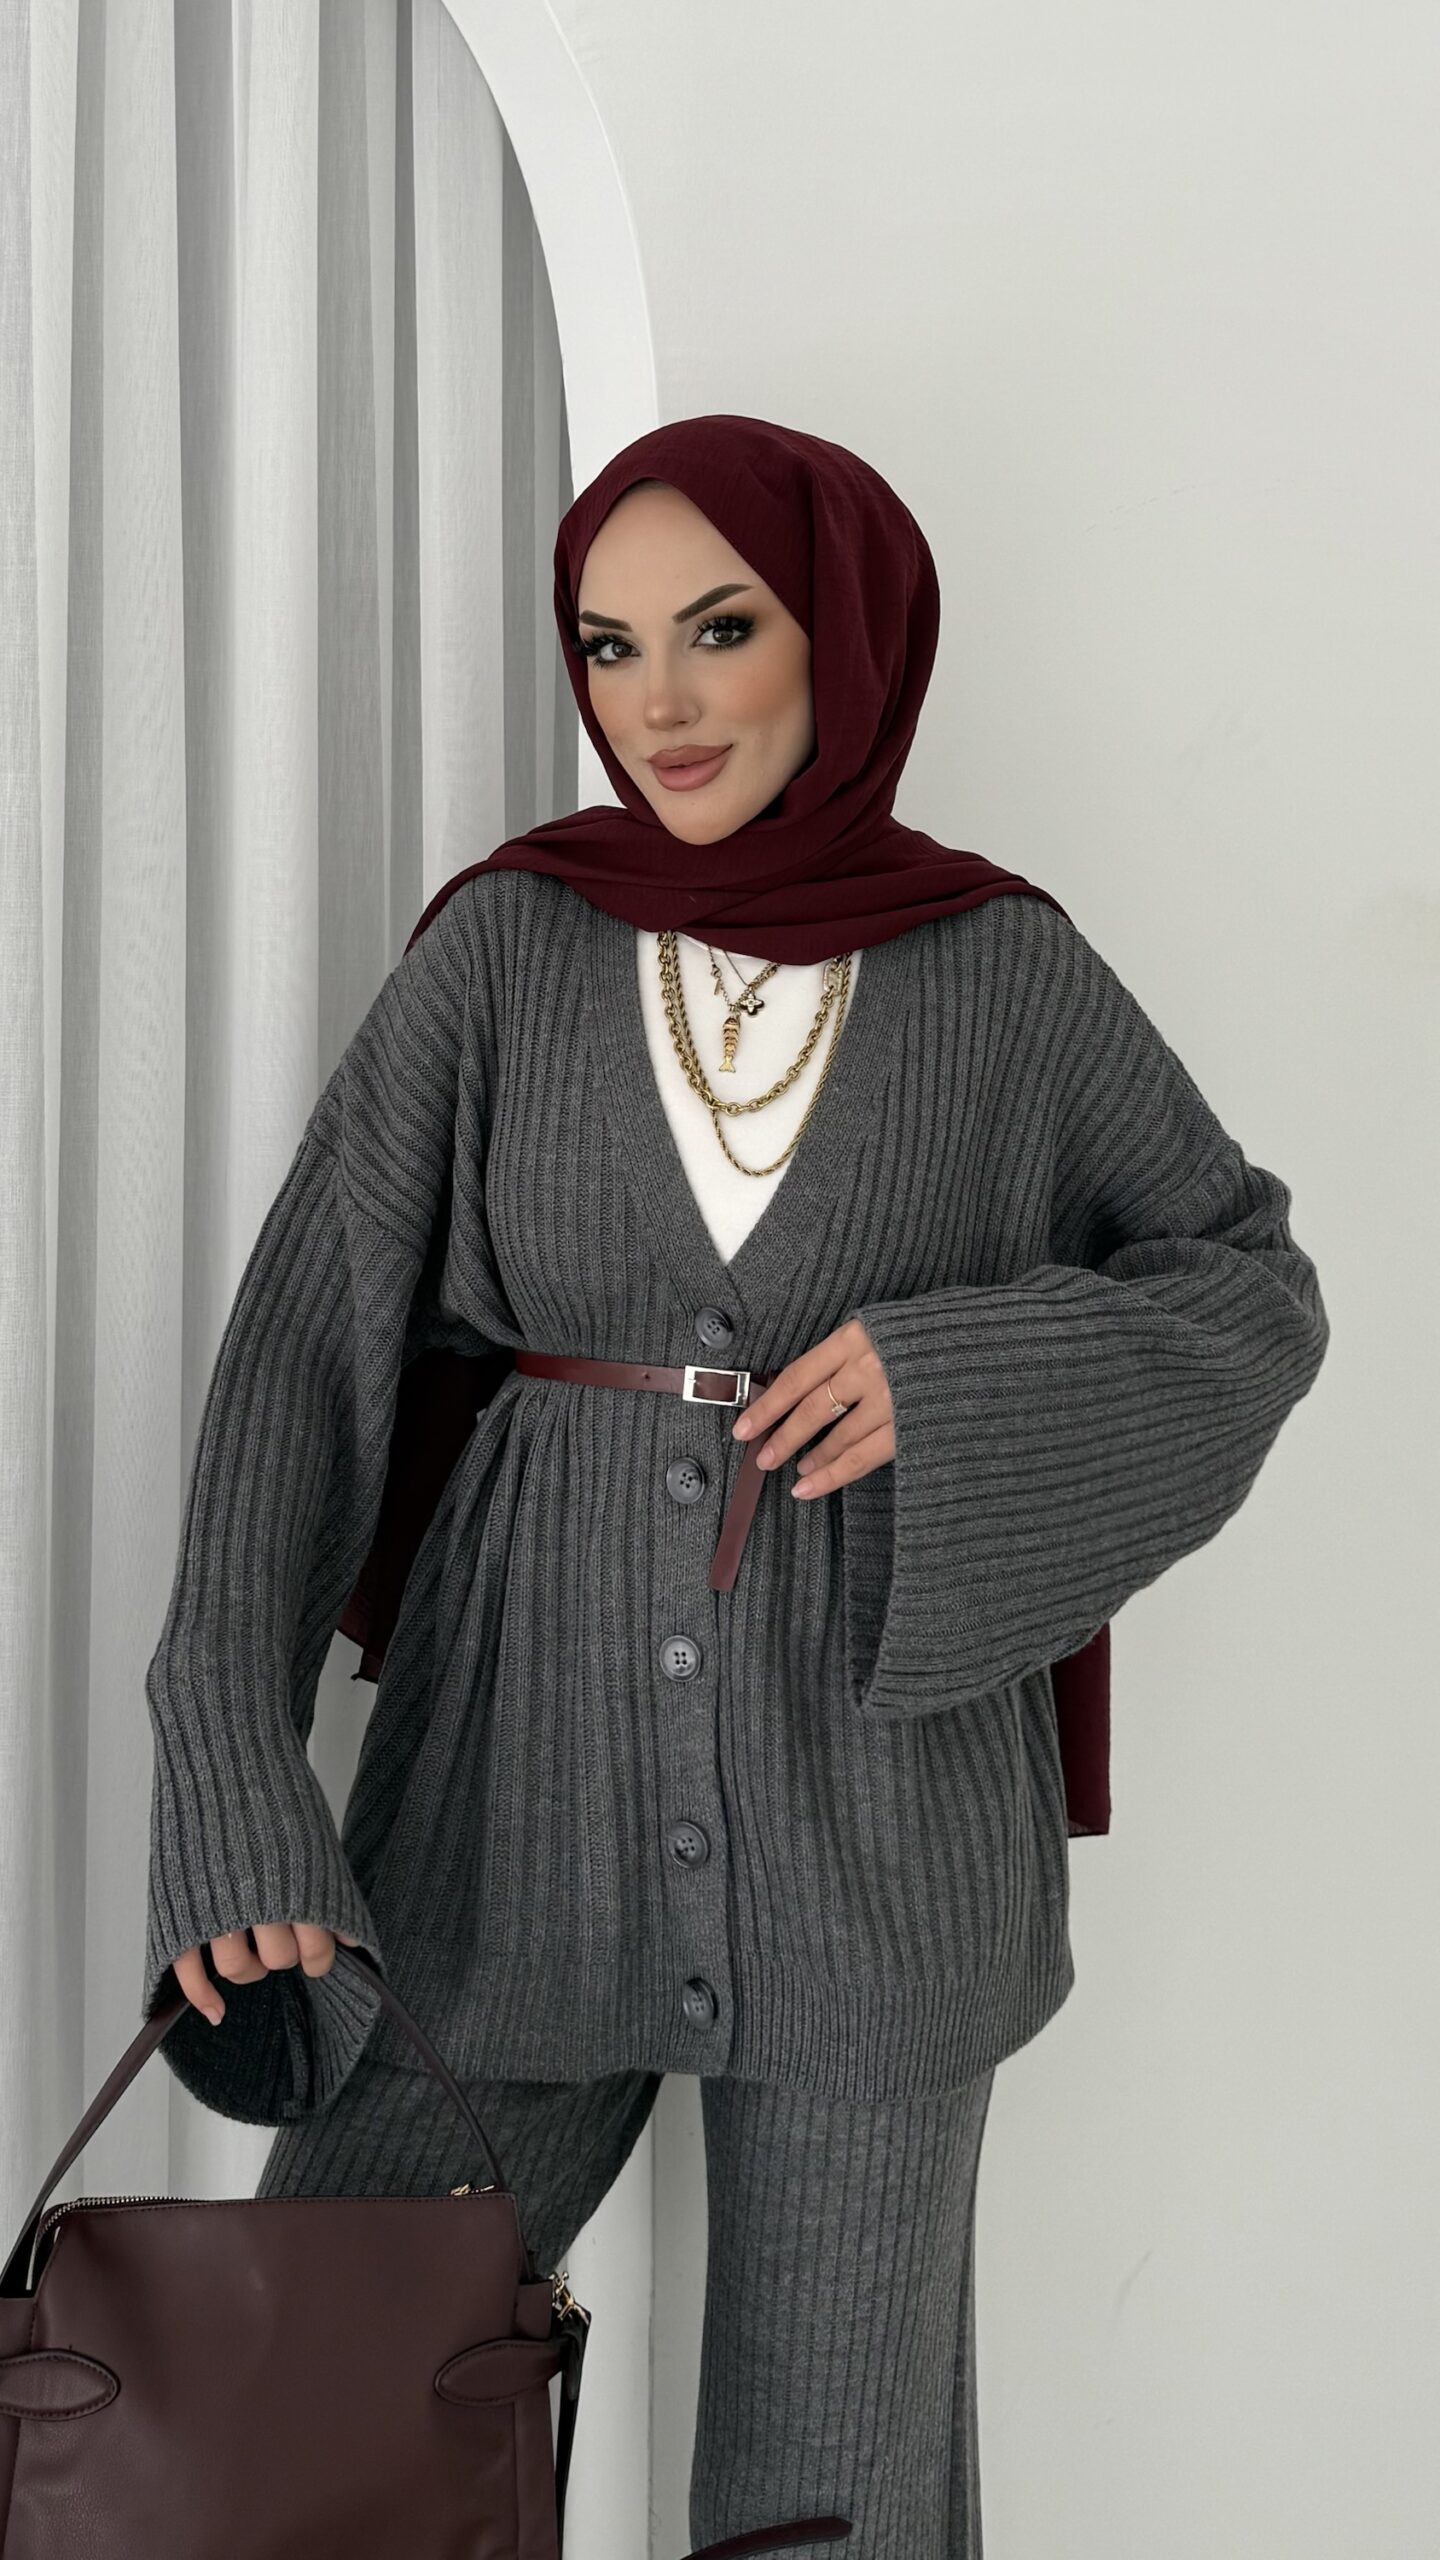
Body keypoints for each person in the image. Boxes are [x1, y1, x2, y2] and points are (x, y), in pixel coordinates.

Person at [141, 417, 1329, 2556]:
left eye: (721, 629)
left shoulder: (1005, 971)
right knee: (316, 2421)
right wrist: (230, 1761)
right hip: (506, 1808)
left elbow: (1249, 1286)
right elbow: (304, 1361)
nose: (660, 702)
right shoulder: (505, 951)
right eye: (611, 646)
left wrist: (959, 1375)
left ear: (843, 639)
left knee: (833, 2507)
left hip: (883, 1831)